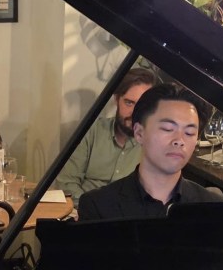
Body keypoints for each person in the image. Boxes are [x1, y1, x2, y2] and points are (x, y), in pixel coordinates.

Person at [78, 83, 221, 220]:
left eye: (189, 133)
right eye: (167, 129)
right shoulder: (98, 205)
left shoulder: (214, 207)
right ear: (139, 133)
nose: (179, 140)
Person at [56, 67, 156, 202]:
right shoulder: (92, 131)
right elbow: (67, 181)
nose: (134, 112)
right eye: (129, 103)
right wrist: (89, 208)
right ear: (116, 99)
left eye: (142, 105)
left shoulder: (154, 144)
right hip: (82, 209)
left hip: (125, 213)